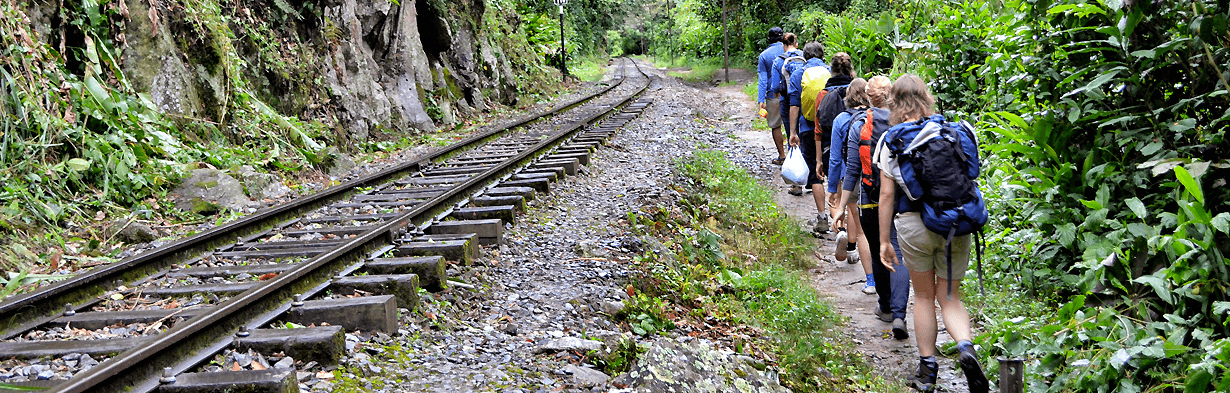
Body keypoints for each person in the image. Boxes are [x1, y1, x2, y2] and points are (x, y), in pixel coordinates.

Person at [874, 74, 988, 393]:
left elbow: (885, 196)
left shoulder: (892, 139)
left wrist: (884, 241)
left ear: (893, 103)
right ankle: (966, 348)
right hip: (956, 221)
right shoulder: (957, 131)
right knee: (950, 296)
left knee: (923, 295)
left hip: (914, 224)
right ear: (927, 98)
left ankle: (927, 372)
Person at [833, 76, 910, 339]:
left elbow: (853, 169)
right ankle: (900, 314)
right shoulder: (903, 121)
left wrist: (842, 206)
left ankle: (886, 306)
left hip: (870, 198)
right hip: (902, 198)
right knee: (898, 251)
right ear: (891, 96)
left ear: (868, 97)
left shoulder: (860, 125)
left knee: (880, 249)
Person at [827, 78, 874, 294]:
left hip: (852, 179)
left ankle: (871, 281)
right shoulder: (878, 116)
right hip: (877, 179)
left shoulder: (841, 119)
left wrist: (832, 189)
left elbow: (836, 159)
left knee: (862, 228)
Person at [786, 41, 830, 229]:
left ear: (805, 57)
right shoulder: (831, 71)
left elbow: (794, 105)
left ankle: (822, 218)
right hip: (832, 129)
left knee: (815, 174)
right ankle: (841, 221)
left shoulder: (798, 73)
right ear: (822, 55)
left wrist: (793, 132)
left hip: (808, 129)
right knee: (838, 174)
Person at [768, 32, 802, 164]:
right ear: (796, 44)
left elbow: (775, 86)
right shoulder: (804, 56)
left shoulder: (778, 60)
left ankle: (794, 167)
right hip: (804, 100)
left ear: (783, 45)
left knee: (791, 133)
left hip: (786, 101)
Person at [756, 27, 787, 165]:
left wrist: (761, 100)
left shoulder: (764, 55)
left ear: (769, 39)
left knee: (776, 125)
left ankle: (782, 156)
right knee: (794, 125)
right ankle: (798, 155)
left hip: (772, 95)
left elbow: (763, 79)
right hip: (792, 93)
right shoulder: (790, 51)